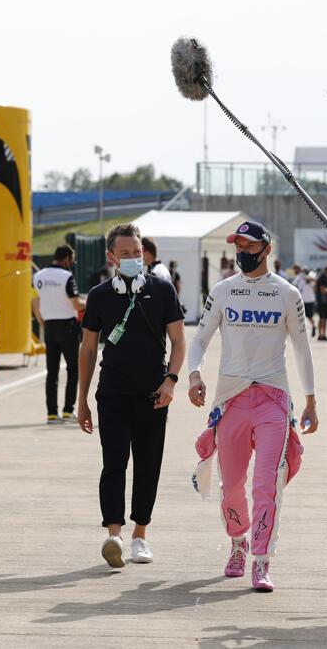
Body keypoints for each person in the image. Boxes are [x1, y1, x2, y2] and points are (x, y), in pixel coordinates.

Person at [187, 220, 318, 592]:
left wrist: (310, 401)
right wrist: (194, 375)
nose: (241, 253)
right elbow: (198, 341)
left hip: (273, 400)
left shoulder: (288, 293)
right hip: (230, 400)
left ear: (266, 249)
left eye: (248, 247)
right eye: (237, 247)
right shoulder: (223, 290)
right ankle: (238, 544)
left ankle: (261, 560)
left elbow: (303, 350)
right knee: (232, 486)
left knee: (267, 484)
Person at [78, 223, 185, 567]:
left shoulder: (162, 290)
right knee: (114, 463)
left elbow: (179, 341)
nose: (132, 258)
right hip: (112, 393)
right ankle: (114, 535)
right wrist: (82, 400)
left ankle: (140, 535)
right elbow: (89, 349)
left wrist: (171, 381)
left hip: (154, 394)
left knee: (148, 465)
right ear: (111, 257)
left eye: (137, 253)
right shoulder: (99, 296)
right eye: (124, 254)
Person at [33, 245, 86, 424]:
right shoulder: (67, 277)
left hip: (49, 326)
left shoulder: (38, 276)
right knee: (73, 369)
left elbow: (35, 305)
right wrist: (90, 301)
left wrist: (44, 324)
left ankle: (51, 413)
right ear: (66, 258)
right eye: (72, 260)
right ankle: (68, 411)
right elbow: (77, 305)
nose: (73, 263)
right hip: (68, 326)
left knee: (52, 372)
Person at [291, 264, 317, 337]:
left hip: (310, 300)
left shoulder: (311, 278)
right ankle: (300, 331)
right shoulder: (299, 277)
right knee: (299, 316)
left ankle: (314, 326)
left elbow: (315, 283)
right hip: (301, 300)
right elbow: (293, 285)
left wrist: (310, 279)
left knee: (310, 316)